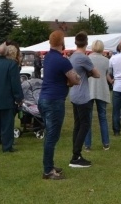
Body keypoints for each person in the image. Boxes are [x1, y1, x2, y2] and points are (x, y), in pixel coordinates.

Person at [39, 30, 80, 180]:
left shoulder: (48, 57)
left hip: (44, 99)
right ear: (62, 43)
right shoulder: (62, 61)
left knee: (49, 134)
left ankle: (49, 165)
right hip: (54, 101)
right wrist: (74, 79)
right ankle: (48, 170)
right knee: (52, 136)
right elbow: (75, 79)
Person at [69, 32, 99, 168]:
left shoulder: (72, 56)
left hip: (74, 94)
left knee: (78, 125)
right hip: (82, 96)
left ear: (76, 42)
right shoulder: (83, 58)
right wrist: (89, 73)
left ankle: (76, 154)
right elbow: (97, 74)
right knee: (85, 125)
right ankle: (76, 155)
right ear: (86, 43)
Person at [85, 40, 111, 152]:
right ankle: (106, 143)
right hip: (102, 89)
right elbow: (107, 74)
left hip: (89, 89)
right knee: (103, 117)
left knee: (88, 118)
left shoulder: (87, 59)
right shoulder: (106, 60)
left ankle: (87, 144)